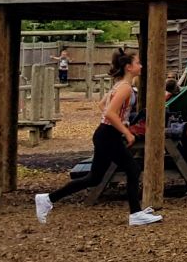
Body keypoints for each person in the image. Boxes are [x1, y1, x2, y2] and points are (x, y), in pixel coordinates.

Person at [35, 50, 163, 226]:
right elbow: (110, 112)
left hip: (105, 133)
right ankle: (135, 213)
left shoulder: (119, 85)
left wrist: (121, 121)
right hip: (108, 135)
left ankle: (47, 199)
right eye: (138, 63)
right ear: (129, 67)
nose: (141, 66)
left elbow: (103, 105)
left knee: (94, 178)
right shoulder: (125, 87)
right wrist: (126, 131)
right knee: (133, 169)